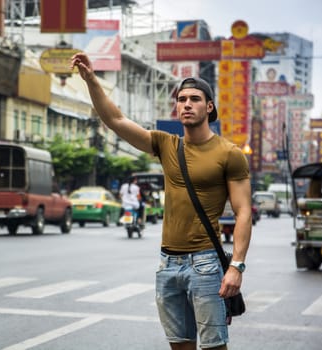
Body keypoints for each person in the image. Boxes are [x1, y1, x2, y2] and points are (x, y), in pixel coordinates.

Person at [72, 53, 252, 350]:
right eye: (181, 99)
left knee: (213, 347)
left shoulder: (228, 153)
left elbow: (244, 211)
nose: (187, 104)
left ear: (209, 107)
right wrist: (92, 80)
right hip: (168, 264)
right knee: (179, 347)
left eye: (194, 99)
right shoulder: (166, 144)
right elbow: (115, 120)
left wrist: (237, 266)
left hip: (205, 263)